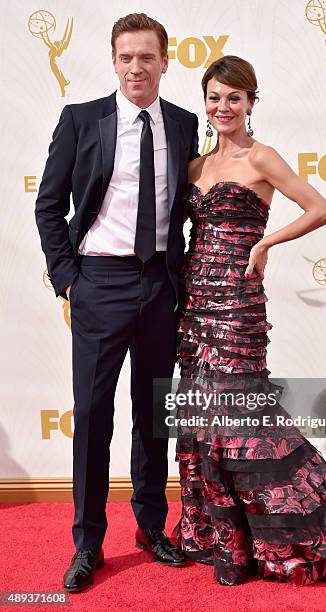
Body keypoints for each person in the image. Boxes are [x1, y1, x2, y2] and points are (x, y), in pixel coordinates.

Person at [174, 55, 326, 586]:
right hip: (195, 302)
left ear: (251, 102)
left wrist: (266, 241)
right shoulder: (195, 167)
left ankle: (276, 537)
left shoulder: (263, 158)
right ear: (204, 103)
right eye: (214, 96)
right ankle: (223, 535)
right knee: (200, 420)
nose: (223, 106)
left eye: (234, 97)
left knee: (242, 420)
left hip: (237, 300)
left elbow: (320, 207)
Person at [35, 12, 198, 592]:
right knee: (92, 417)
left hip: (159, 285)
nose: (136, 67)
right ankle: (87, 543)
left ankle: (152, 529)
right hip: (98, 283)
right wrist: (68, 277)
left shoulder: (183, 125)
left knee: (152, 416)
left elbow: (185, 208)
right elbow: (48, 206)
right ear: (113, 60)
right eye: (126, 57)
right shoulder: (81, 120)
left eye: (147, 57)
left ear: (164, 61)